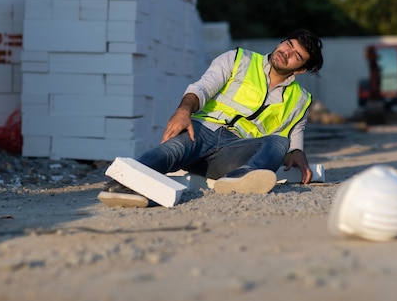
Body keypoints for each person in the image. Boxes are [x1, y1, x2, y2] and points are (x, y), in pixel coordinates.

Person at [98, 29, 324, 207]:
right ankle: (124, 184)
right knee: (172, 150)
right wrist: (184, 110)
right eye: (289, 44)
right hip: (202, 132)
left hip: (234, 154)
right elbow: (203, 87)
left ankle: (240, 179)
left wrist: (298, 153)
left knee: (279, 141)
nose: (287, 52)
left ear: (300, 70)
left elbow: (294, 134)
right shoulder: (239, 59)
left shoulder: (300, 99)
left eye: (296, 55)